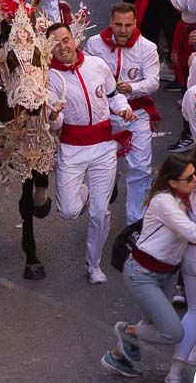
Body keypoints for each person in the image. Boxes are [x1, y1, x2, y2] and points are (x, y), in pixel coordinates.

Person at [101, 154, 196, 380]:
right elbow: (193, 233)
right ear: (173, 182)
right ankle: (126, 330)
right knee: (172, 332)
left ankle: (116, 356)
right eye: (189, 178)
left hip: (165, 274)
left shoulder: (184, 198)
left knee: (151, 322)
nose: (195, 181)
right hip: (142, 274)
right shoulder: (164, 201)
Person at [47, 22, 134, 283]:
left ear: (74, 40)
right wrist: (53, 114)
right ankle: (85, 192)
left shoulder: (97, 65)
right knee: (69, 212)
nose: (62, 47)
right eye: (55, 43)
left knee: (98, 212)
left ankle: (93, 265)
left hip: (104, 147)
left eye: (65, 40)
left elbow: (112, 96)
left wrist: (122, 108)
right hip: (72, 149)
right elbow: (55, 125)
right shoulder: (49, 77)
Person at [85, 1, 160, 222]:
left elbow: (154, 81)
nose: (123, 30)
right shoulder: (94, 44)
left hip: (137, 115)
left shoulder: (148, 48)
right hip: (105, 116)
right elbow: (87, 71)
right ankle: (100, 213)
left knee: (141, 168)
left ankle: (134, 224)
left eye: (128, 25)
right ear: (111, 22)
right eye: (118, 24)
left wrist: (132, 87)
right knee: (103, 169)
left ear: (135, 23)